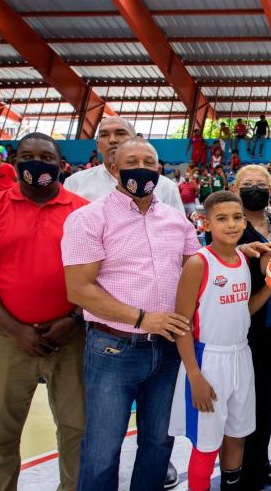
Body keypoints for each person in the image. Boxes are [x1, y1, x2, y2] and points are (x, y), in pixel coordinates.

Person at [62, 138, 200, 490]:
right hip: (113, 348)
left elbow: (198, 270)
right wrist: (142, 318)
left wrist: (240, 252)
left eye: (149, 162)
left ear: (159, 170)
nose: (142, 167)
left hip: (167, 349)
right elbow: (79, 289)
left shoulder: (177, 220)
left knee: (158, 443)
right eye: (132, 160)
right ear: (113, 169)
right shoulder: (88, 219)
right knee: (103, 448)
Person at [0, 133, 88, 491]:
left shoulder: (84, 212)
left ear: (61, 165)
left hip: (72, 338)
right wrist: (16, 329)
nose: (37, 163)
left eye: (46, 157)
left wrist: (74, 319)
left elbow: (100, 275)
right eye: (28, 156)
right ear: (15, 164)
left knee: (78, 433)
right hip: (5, 339)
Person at [168, 191, 271, 491]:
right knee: (205, 444)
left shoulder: (242, 257)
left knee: (236, 435)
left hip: (241, 356)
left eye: (237, 217)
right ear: (206, 223)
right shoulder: (199, 264)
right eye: (222, 219)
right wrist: (194, 376)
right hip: (207, 360)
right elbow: (182, 325)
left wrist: (270, 287)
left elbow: (244, 310)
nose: (232, 225)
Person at [220, 165, 271, 488]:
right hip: (240, 327)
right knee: (239, 401)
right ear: (235, 189)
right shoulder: (229, 228)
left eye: (260, 183)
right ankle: (239, 466)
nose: (254, 188)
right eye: (247, 183)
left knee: (265, 396)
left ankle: (259, 458)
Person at [65, 116, 184, 215]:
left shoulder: (166, 187)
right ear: (98, 145)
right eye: (104, 135)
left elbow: (180, 231)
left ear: (137, 140)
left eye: (120, 133)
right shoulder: (74, 184)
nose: (112, 140)